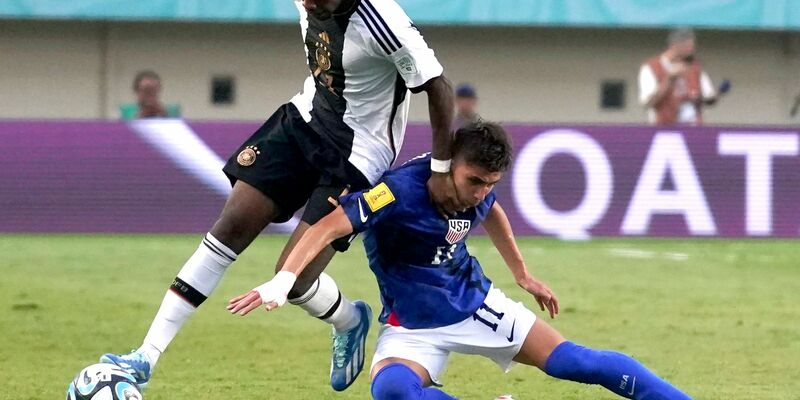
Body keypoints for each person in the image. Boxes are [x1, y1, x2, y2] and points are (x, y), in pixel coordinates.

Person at [101, 0, 464, 392]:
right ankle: (145, 356)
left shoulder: (382, 20)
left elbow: (439, 87)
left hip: (358, 153)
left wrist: (442, 172)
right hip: (304, 120)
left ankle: (348, 320)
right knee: (232, 225)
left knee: (293, 275)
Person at [229, 122, 694, 400]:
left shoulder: (475, 192)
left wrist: (522, 274)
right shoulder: (397, 192)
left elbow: (495, 215)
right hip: (411, 325)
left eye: (491, 183)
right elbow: (330, 226)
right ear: (447, 163)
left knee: (577, 363)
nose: (481, 193)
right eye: (475, 181)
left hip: (476, 306)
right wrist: (284, 278)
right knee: (391, 391)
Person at [638, 28, 729, 125]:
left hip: (693, 130)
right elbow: (649, 102)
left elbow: (708, 97)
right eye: (688, 45)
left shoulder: (695, 67)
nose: (692, 49)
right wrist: (669, 80)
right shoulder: (651, 67)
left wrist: (719, 92)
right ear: (675, 45)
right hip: (664, 129)